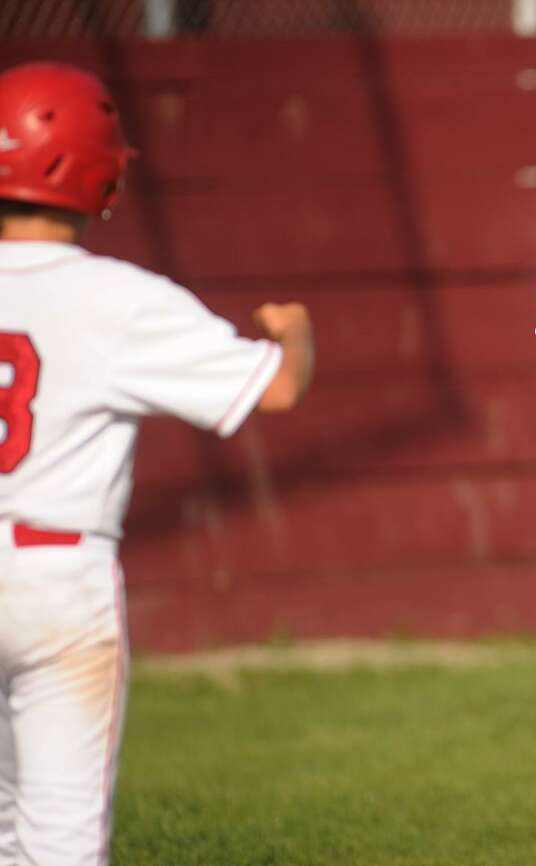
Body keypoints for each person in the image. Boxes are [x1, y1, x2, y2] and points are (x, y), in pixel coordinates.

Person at [0, 62, 314, 865]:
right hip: (54, 579)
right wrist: (294, 332)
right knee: (58, 841)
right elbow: (275, 391)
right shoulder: (119, 296)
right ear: (102, 174)